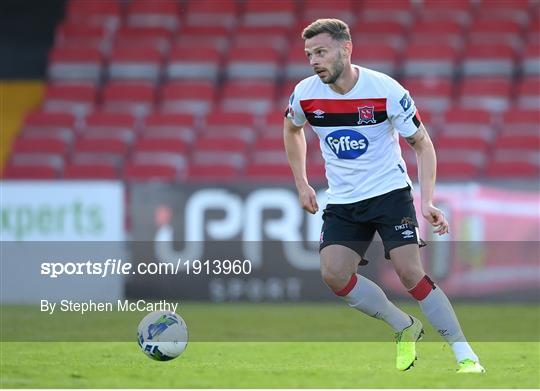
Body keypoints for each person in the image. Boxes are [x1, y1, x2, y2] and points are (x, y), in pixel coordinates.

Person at [283, 18, 485, 373]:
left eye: (321, 52)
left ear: (346, 49)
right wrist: (301, 182)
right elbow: (291, 128)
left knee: (410, 273)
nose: (314, 60)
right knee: (333, 274)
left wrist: (426, 201)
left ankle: (464, 354)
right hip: (343, 200)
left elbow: (422, 143)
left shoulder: (385, 90)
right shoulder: (305, 93)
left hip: (389, 194)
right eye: (309, 54)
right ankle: (403, 326)